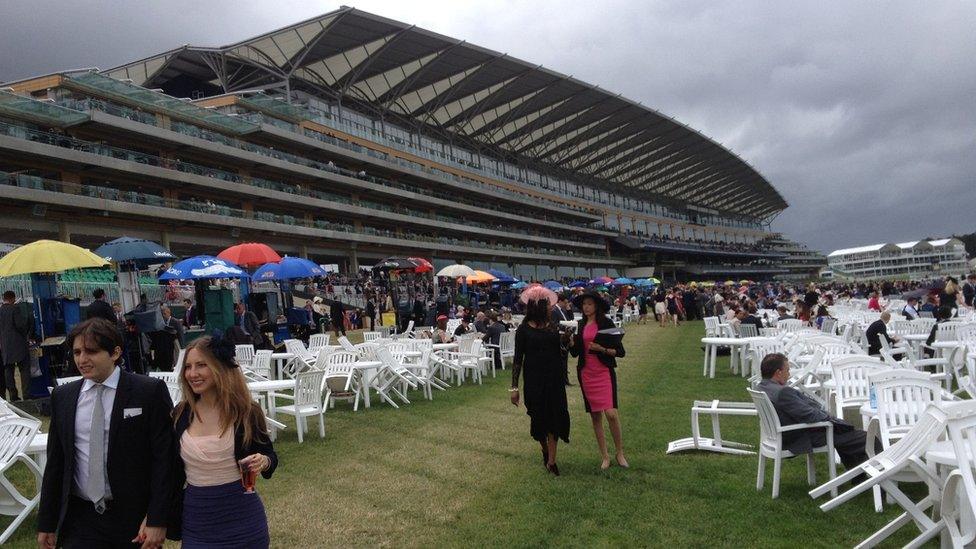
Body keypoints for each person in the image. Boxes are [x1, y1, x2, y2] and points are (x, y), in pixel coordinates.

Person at [37, 318, 175, 549]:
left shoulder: (148, 392)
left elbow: (165, 461)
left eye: (91, 351)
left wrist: (157, 518)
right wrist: (47, 521)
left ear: (115, 352)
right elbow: (56, 463)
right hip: (80, 518)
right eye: (77, 352)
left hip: (132, 518)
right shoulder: (63, 397)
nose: (82, 359)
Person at [168, 335, 277, 547]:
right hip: (197, 522)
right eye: (188, 367)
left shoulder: (246, 412)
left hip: (244, 520)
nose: (192, 373)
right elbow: (170, 473)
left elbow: (270, 456)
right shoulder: (180, 415)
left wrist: (264, 461)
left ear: (220, 368)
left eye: (201, 365)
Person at [757, 353, 873, 470]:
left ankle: (858, 475)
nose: (789, 374)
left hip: (781, 436)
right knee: (866, 438)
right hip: (799, 437)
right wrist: (828, 416)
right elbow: (810, 416)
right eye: (787, 370)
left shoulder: (762, 387)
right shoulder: (783, 392)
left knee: (844, 433)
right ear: (778, 373)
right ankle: (881, 482)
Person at [510, 297, 570, 476]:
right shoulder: (523, 330)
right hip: (534, 380)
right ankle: (544, 449)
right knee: (538, 419)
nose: (551, 309)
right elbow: (517, 359)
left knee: (555, 417)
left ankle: (552, 460)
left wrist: (565, 341)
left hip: (554, 379)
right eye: (547, 306)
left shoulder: (553, 327)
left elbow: (561, 352)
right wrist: (514, 388)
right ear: (538, 308)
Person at [569, 291, 627, 470]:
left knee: (611, 413)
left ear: (596, 306)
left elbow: (620, 352)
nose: (586, 307)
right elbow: (575, 352)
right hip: (586, 373)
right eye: (584, 304)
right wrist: (570, 341)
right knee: (596, 416)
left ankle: (619, 452)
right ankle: (605, 456)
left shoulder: (606, 323)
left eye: (589, 304)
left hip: (603, 372)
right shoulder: (580, 324)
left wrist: (602, 348)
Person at [0, 291, 31, 401]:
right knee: (24, 370)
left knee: (8, 371)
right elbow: (21, 326)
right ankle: (26, 395)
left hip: (5, 347)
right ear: (13, 298)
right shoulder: (15, 309)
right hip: (18, 345)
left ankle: (13, 396)